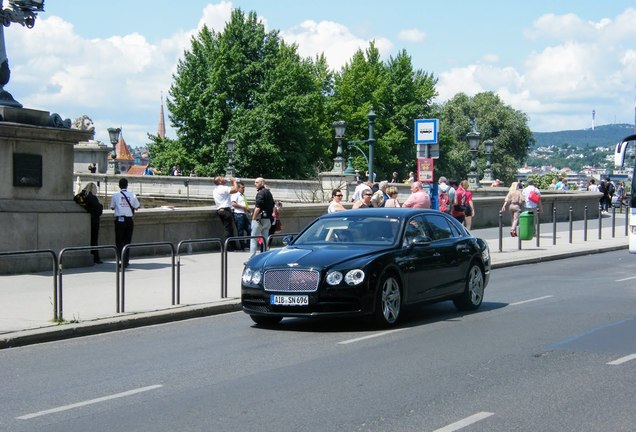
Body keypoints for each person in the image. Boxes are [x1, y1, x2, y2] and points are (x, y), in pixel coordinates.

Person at [110, 178, 140, 268]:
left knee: (119, 241)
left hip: (119, 220)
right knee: (127, 241)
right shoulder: (132, 195)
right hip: (129, 220)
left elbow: (112, 207)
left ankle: (120, 260)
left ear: (119, 186)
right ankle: (126, 260)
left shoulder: (115, 195)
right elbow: (137, 207)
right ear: (127, 185)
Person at [250, 177, 275, 257]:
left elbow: (258, 207)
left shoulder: (260, 193)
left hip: (260, 220)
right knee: (265, 239)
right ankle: (264, 256)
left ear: (262, 183)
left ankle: (252, 257)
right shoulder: (269, 193)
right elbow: (273, 205)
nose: (255, 184)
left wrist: (253, 219)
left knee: (253, 239)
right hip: (268, 219)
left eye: (257, 182)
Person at [213, 176, 239, 250]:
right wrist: (234, 181)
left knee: (227, 228)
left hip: (220, 210)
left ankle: (230, 246)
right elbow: (235, 190)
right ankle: (229, 247)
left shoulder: (215, 189)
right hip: (225, 210)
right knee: (229, 229)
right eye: (221, 178)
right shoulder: (223, 188)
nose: (224, 178)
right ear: (219, 182)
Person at [81, 182, 103, 263]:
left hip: (83, 221)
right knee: (94, 240)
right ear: (93, 189)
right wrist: (101, 206)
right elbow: (99, 210)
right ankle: (95, 257)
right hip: (93, 221)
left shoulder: (80, 196)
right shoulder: (92, 198)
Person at [231, 181, 251, 250]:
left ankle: (248, 245)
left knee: (250, 229)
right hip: (238, 215)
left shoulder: (242, 195)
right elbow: (233, 204)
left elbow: (244, 205)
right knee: (240, 231)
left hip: (244, 214)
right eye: (242, 188)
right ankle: (243, 246)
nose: (244, 189)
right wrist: (243, 207)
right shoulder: (235, 194)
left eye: (244, 187)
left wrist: (247, 210)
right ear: (238, 188)